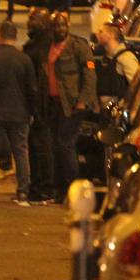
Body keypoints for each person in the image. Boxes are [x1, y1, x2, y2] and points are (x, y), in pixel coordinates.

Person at [0, 21, 38, 205]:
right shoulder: (24, 59)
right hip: (19, 113)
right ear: (15, 37)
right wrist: (32, 111)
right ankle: (22, 193)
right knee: (21, 152)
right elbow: (31, 89)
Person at [44, 11, 96, 196]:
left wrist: (83, 100)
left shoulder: (78, 46)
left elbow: (90, 76)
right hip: (53, 104)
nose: (59, 29)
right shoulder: (47, 46)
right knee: (55, 145)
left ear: (68, 26)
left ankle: (71, 189)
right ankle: (58, 189)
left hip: (72, 105)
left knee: (66, 145)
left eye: (62, 25)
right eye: (56, 26)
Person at [23, 9, 57, 204]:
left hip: (42, 104)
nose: (30, 22)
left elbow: (42, 78)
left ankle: (45, 186)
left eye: (34, 19)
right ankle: (38, 185)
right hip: (36, 103)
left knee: (42, 146)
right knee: (36, 146)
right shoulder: (35, 44)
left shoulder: (43, 45)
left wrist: (37, 106)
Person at [92, 22, 140, 102]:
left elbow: (136, 87)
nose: (97, 34)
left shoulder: (126, 57)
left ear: (111, 35)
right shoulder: (107, 58)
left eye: (101, 32)